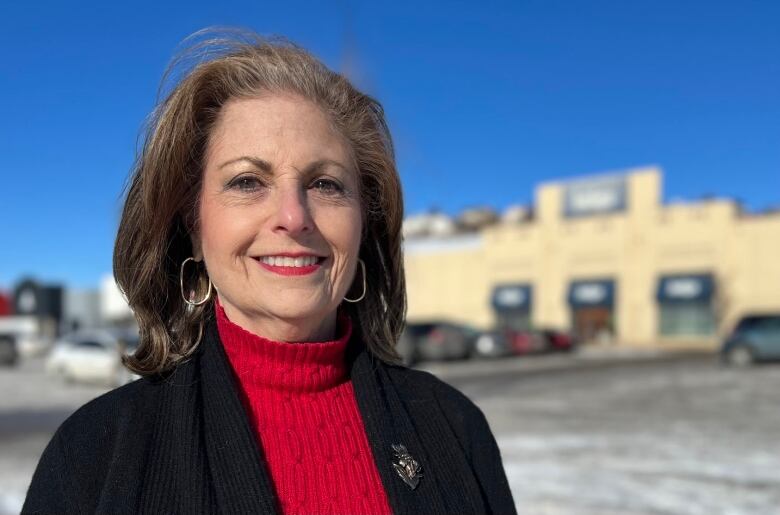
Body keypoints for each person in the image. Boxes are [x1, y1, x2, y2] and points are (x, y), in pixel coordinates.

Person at [23, 31, 516, 515]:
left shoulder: (453, 427)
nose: (293, 216)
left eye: (325, 183)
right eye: (247, 181)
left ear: (365, 224)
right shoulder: (94, 454)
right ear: (193, 226)